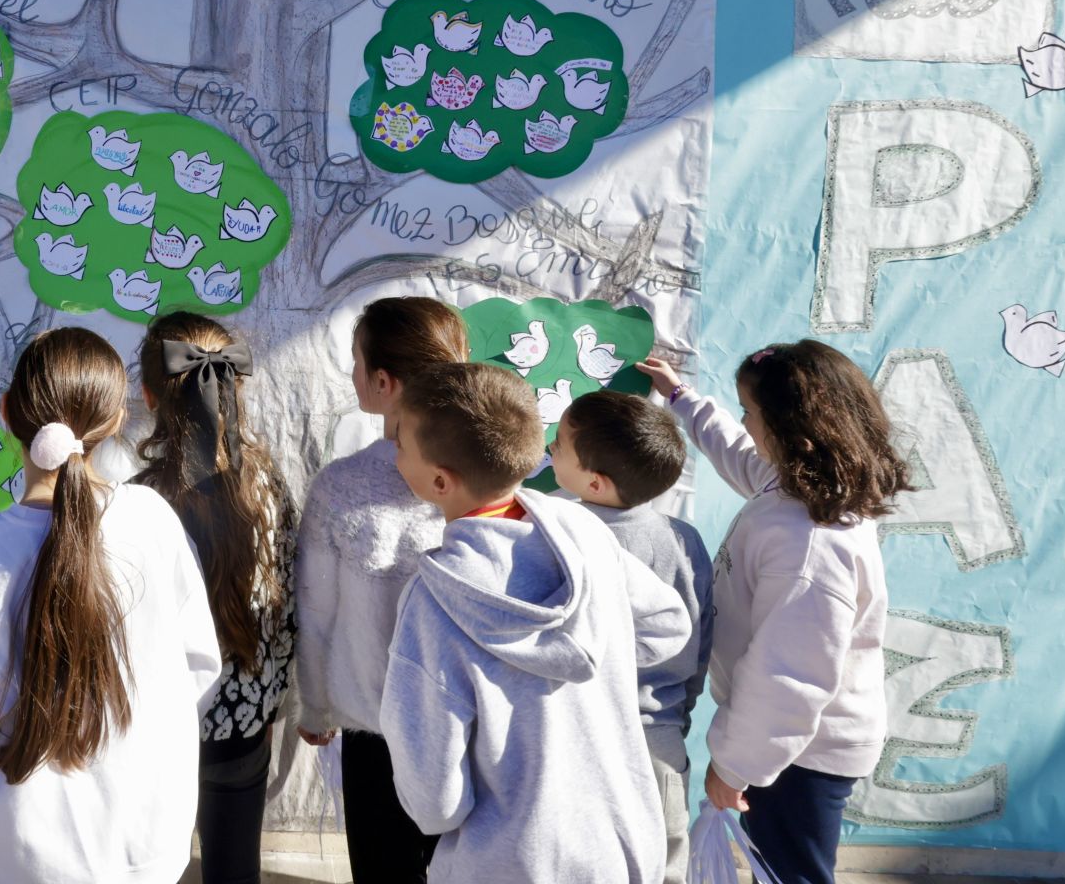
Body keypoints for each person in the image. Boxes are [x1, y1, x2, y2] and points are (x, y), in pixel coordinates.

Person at [0, 327, 222, 884]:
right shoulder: (153, 520)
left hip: (30, 856)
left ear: (6, 413)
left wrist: (4, 781)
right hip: (150, 847)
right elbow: (198, 668)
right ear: (118, 419)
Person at [380, 361, 691, 884]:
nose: (395, 454)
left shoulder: (432, 603)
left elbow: (436, 805)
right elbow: (666, 625)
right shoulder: (583, 531)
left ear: (439, 480)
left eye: (400, 445)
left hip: (508, 860)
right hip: (620, 844)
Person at [639, 342, 909, 884]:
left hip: (801, 751)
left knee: (792, 875)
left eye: (751, 412)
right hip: (787, 741)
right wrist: (681, 398)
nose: (744, 423)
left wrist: (735, 767)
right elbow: (738, 451)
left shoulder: (810, 541)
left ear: (791, 432)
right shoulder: (798, 487)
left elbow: (791, 675)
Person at [294, 295, 469, 883]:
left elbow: (316, 614)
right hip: (468, 729)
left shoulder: (340, 487)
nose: (351, 373)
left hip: (374, 730)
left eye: (355, 361)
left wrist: (315, 704)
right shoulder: (486, 482)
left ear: (384, 382)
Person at [132, 313, 297, 884]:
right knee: (233, 868)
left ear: (149, 394)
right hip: (245, 720)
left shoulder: (137, 502)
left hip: (158, 726)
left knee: (148, 866)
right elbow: (285, 608)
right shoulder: (269, 485)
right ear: (237, 387)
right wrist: (268, 699)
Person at [550, 390, 715, 884]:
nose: (549, 447)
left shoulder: (558, 535)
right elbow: (700, 646)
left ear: (595, 482)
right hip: (658, 736)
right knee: (662, 867)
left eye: (558, 443)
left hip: (573, 736)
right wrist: (676, 716)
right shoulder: (683, 541)